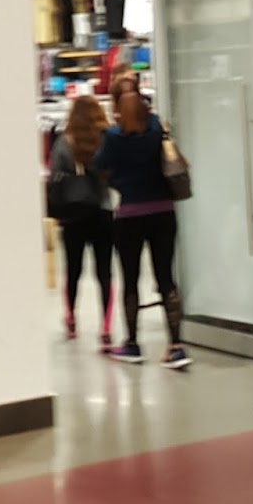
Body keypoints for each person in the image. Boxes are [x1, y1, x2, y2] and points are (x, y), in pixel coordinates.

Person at [95, 73, 189, 370]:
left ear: (115, 103)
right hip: (163, 212)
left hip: (130, 215)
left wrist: (120, 181)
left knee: (131, 278)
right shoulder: (157, 126)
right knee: (165, 277)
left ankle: (133, 344)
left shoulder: (113, 136)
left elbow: (99, 166)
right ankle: (176, 346)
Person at [48, 94, 114, 349]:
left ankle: (71, 317)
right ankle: (106, 326)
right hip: (102, 211)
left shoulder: (64, 142)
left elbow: (55, 174)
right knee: (104, 271)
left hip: (73, 214)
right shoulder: (106, 140)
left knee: (73, 270)